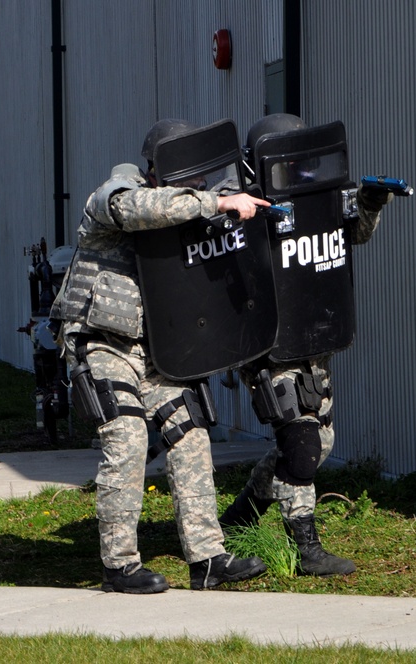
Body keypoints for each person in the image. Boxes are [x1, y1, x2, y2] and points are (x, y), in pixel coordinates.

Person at [50, 119, 270, 593]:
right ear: (156, 170)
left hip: (156, 349)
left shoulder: (189, 206)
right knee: (127, 437)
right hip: (102, 340)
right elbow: (136, 209)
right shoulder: (116, 192)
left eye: (200, 178)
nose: (197, 185)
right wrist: (215, 201)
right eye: (186, 176)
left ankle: (207, 559)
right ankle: (119, 566)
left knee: (190, 433)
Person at [219, 113, 394, 576]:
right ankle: (306, 548)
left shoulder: (318, 193)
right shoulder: (240, 204)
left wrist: (369, 204)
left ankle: (242, 515)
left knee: (323, 439)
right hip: (272, 343)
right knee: (301, 442)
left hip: (311, 337)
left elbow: (351, 234)